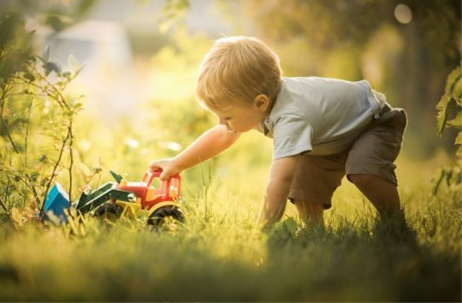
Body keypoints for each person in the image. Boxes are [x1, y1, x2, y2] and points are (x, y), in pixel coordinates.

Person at [149, 36, 407, 228]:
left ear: (259, 103)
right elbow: (221, 135)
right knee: (305, 183)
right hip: (332, 135)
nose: (222, 122)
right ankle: (314, 233)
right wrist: (176, 163)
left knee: (362, 169)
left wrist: (265, 227)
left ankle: (394, 222)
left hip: (373, 123)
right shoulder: (262, 104)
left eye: (226, 116)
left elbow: (280, 179)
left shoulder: (290, 117)